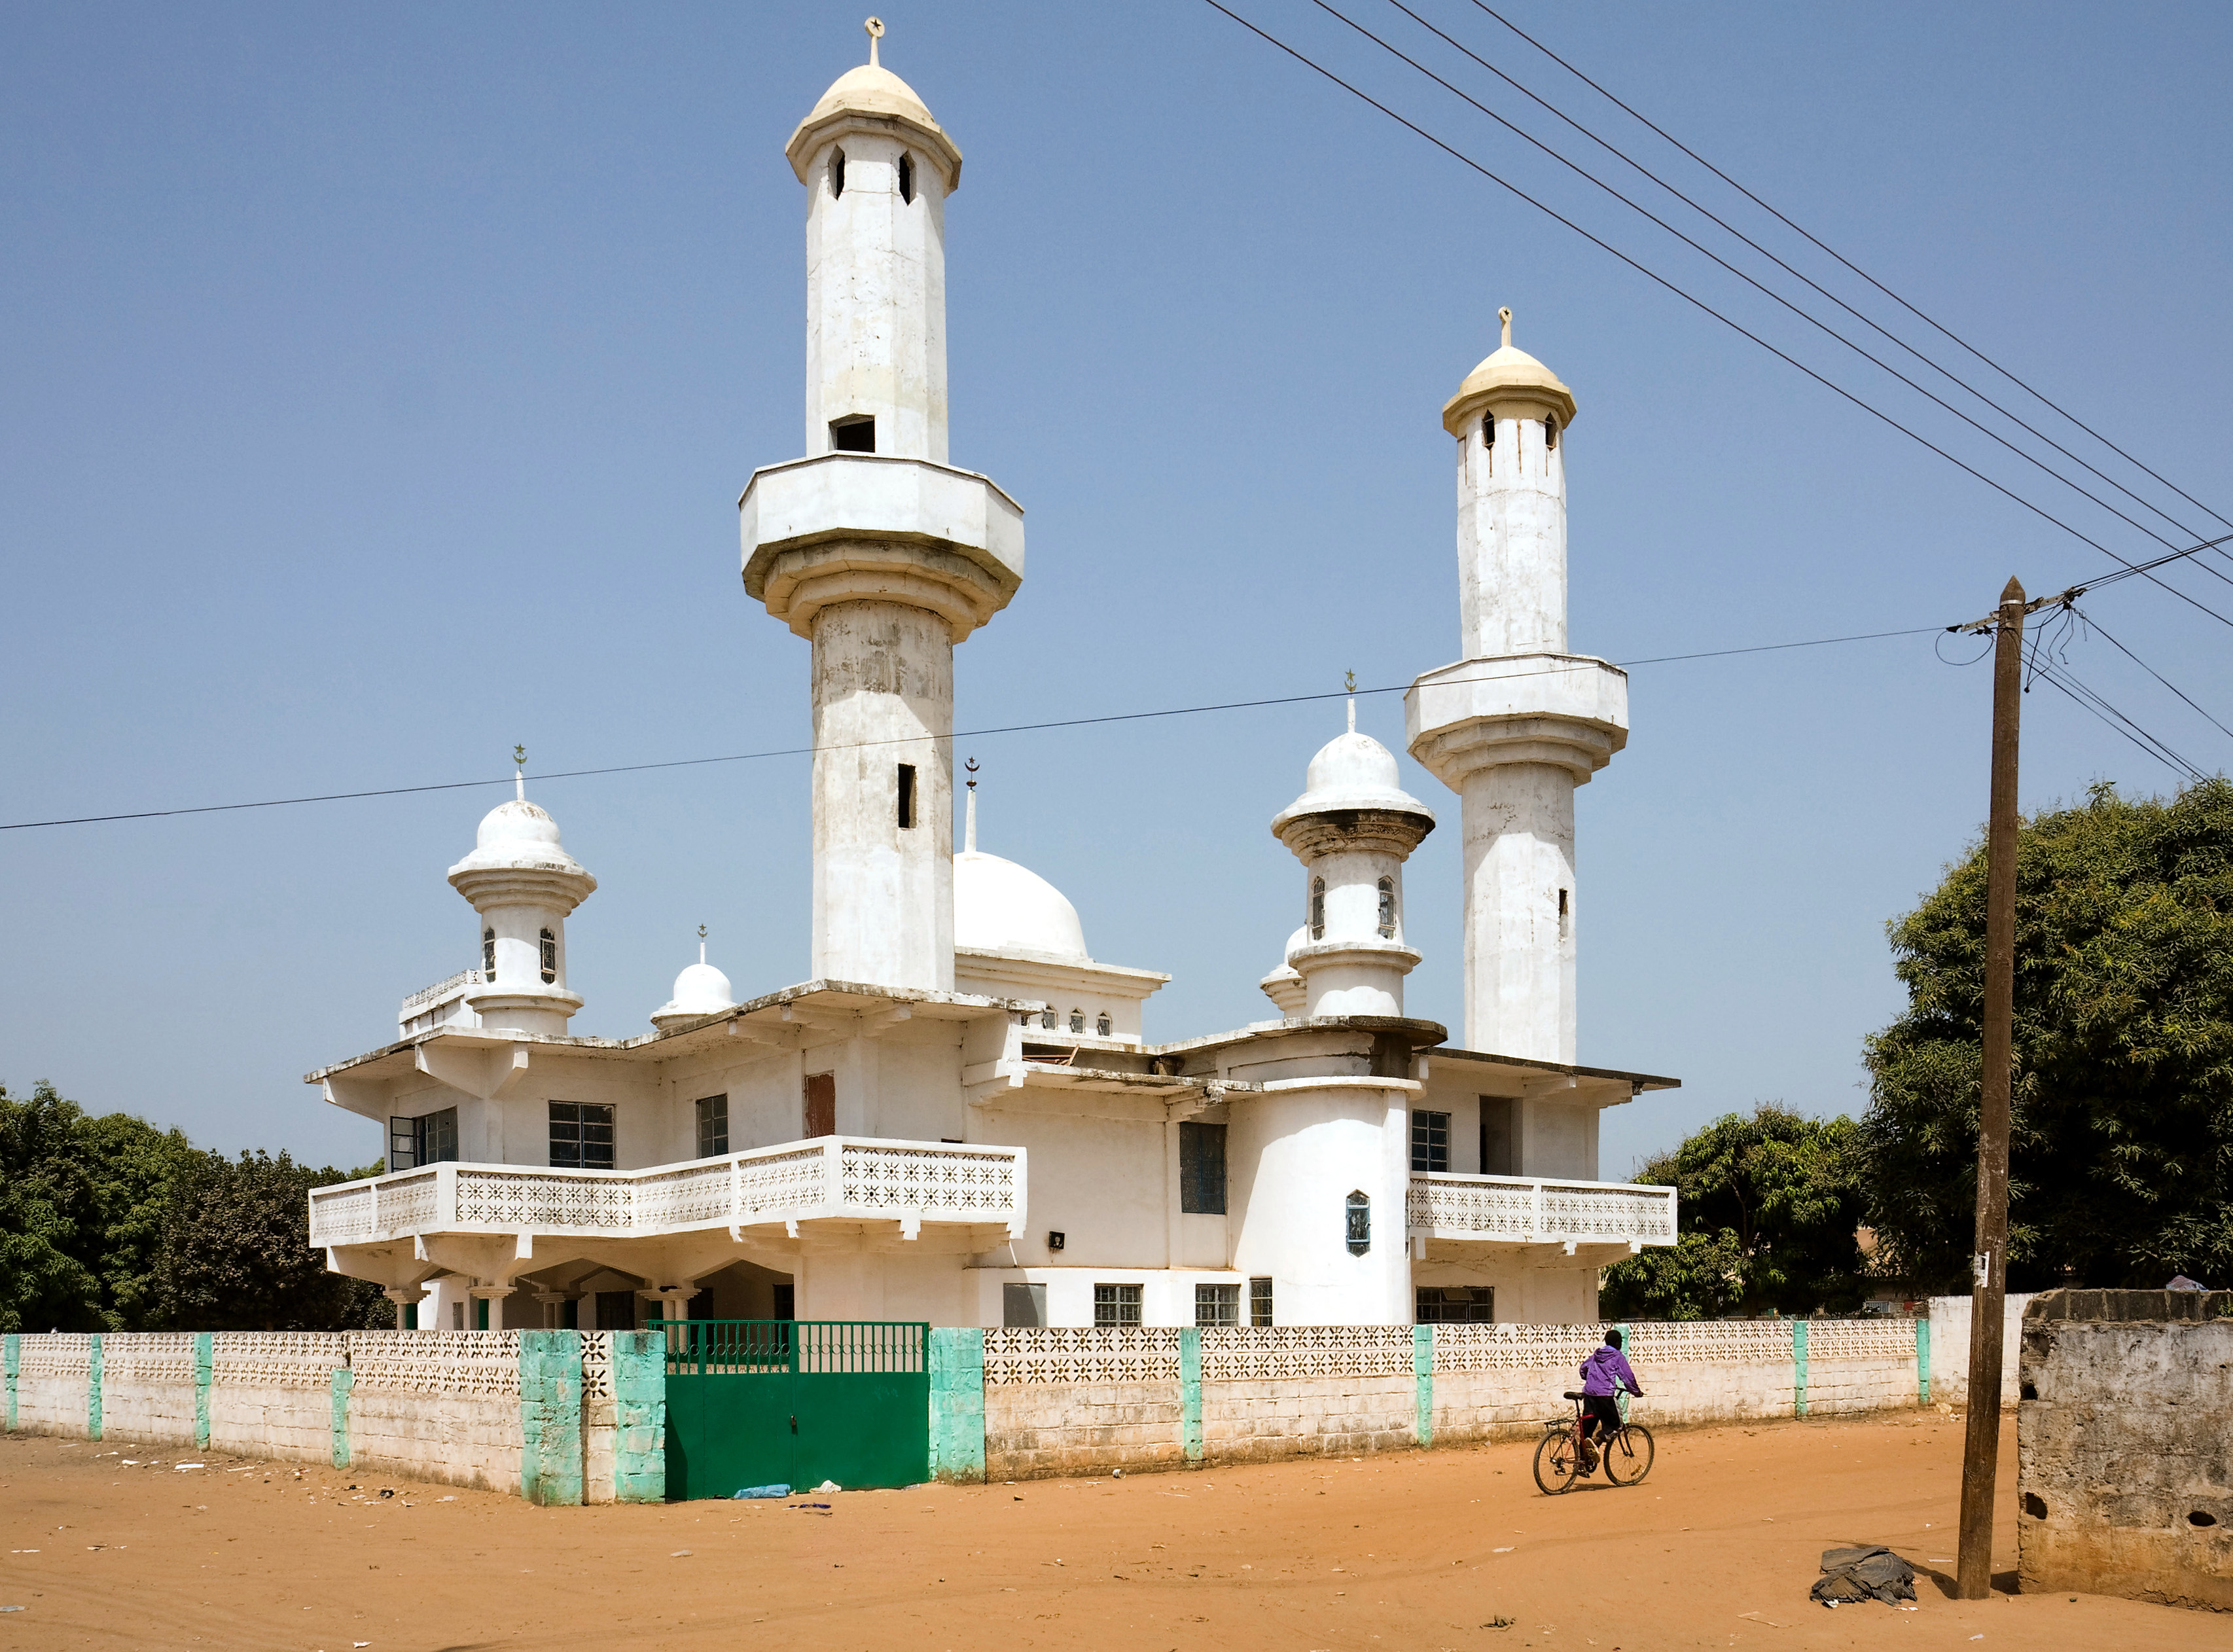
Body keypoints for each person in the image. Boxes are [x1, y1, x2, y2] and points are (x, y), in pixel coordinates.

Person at [1577, 1327, 1643, 1467]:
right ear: (1618, 1344)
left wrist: (1591, 1380)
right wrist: (1636, 1392)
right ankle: (1597, 1441)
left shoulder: (1597, 1354)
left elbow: (1583, 1369)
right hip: (1605, 1396)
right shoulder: (1617, 1356)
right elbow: (1628, 1378)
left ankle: (1583, 1461)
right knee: (1616, 1425)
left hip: (1589, 1395)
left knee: (1587, 1429)